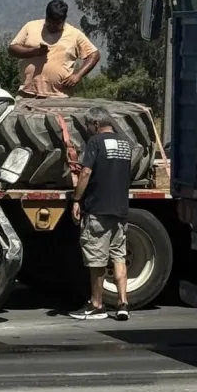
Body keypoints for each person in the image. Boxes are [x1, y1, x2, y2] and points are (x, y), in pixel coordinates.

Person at [69, 106, 131, 321]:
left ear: (96, 124)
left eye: (88, 125)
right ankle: (123, 304)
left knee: (97, 259)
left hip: (98, 210)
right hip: (120, 209)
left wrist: (76, 199)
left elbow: (86, 172)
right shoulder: (125, 143)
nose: (87, 129)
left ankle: (96, 306)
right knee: (119, 256)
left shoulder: (95, 142)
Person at [8, 0, 100, 98]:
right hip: (27, 93)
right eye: (49, 23)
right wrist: (34, 51)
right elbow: (12, 49)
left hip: (59, 96)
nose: (52, 27)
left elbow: (94, 54)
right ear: (46, 17)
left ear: (64, 19)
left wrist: (78, 75)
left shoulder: (75, 34)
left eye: (56, 24)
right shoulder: (30, 27)